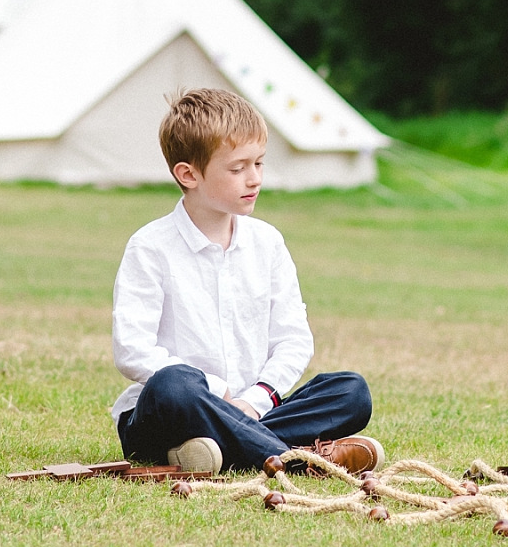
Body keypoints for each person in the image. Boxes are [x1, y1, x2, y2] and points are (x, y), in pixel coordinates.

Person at [111, 87, 384, 477]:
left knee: (350, 392)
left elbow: (293, 339)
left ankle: (206, 452)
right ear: (188, 174)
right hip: (172, 412)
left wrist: (255, 401)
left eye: (259, 163)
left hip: (252, 407)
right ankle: (293, 458)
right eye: (237, 168)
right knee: (174, 384)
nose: (253, 178)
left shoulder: (267, 242)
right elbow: (132, 350)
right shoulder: (150, 247)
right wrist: (217, 392)